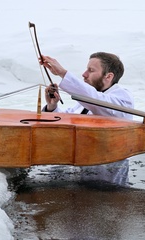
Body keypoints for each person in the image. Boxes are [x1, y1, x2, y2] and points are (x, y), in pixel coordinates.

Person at [40, 52, 134, 187]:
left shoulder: (122, 98)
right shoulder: (87, 100)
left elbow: (98, 102)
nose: (84, 74)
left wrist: (62, 73)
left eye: (91, 70)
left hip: (107, 183)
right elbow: (66, 119)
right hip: (77, 173)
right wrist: (52, 106)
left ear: (108, 76)